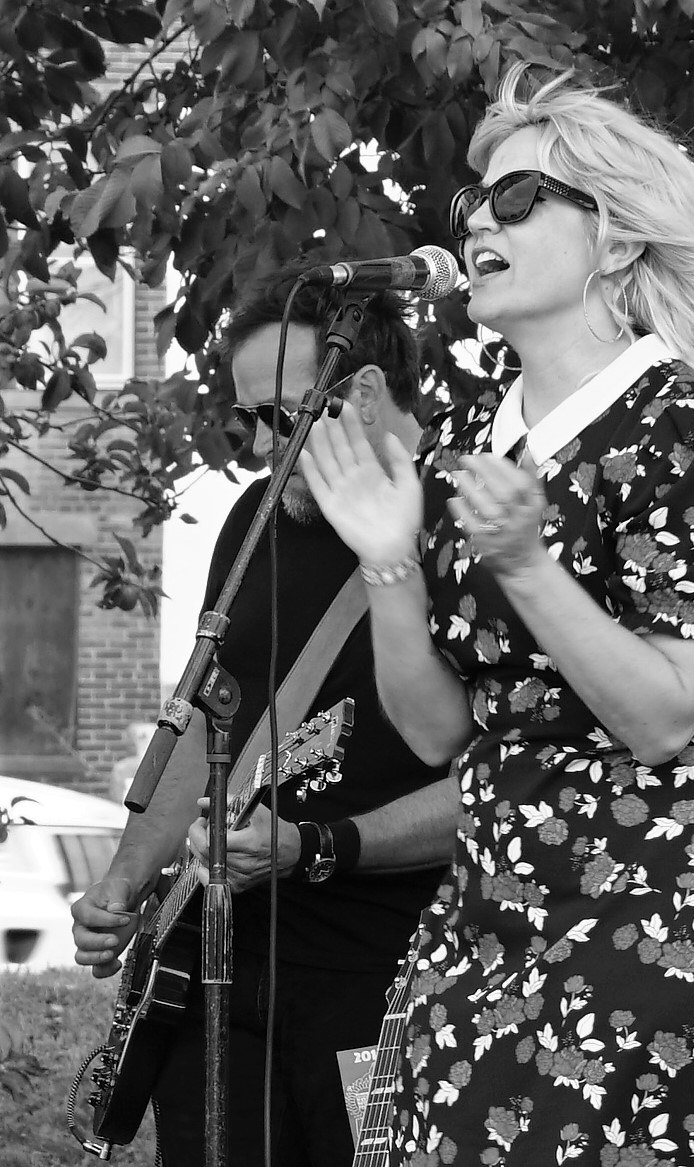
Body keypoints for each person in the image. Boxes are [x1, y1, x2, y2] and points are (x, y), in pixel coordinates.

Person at [300, 64, 694, 1166]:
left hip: (660, 930)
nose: (478, 221)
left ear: (616, 241)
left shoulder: (687, 426)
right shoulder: (479, 442)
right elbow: (437, 731)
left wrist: (527, 566)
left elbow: (662, 717)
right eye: (473, 202)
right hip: (486, 918)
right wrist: (388, 564)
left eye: (518, 197)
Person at [70, 264, 459, 1167]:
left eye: (280, 416)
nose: (256, 445)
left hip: (384, 981)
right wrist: (123, 886)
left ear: (365, 393)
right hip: (216, 968)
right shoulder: (256, 516)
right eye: (246, 418)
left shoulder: (464, 527)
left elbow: (502, 780)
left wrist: (316, 844)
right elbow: (210, 715)